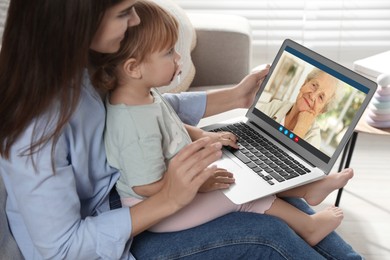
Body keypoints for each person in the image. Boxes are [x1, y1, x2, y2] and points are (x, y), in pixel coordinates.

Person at [0, 0, 362, 259]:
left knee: (268, 183)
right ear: (74, 19)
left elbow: (149, 110)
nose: (136, 18)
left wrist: (235, 97)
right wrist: (171, 196)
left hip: (132, 188)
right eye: (124, 12)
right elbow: (62, 250)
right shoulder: (33, 131)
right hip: (117, 226)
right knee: (268, 233)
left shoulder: (82, 66)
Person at [95, 0, 353, 247]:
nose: (178, 59)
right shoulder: (133, 124)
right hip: (158, 210)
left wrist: (204, 137)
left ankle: (307, 188)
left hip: (176, 181)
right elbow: (146, 186)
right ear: (133, 68)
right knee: (238, 192)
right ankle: (309, 227)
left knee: (241, 167)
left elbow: (171, 127)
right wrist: (200, 185)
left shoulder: (144, 95)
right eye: (168, 52)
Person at [258, 68, 343, 148]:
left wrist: (300, 130)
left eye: (321, 97)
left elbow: (285, 161)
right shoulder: (275, 106)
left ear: (322, 110)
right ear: (304, 84)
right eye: (314, 85)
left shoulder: (313, 139)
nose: (312, 96)